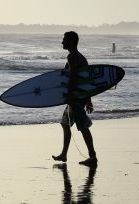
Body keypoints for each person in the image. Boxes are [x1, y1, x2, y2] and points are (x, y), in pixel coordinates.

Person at [52, 31, 97, 166]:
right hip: (78, 96)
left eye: (64, 39)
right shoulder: (79, 57)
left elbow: (72, 79)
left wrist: (70, 97)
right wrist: (89, 100)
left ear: (71, 41)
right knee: (65, 123)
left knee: (83, 127)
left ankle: (93, 157)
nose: (62, 42)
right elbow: (87, 79)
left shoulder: (72, 57)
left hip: (76, 97)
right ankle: (64, 154)